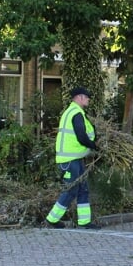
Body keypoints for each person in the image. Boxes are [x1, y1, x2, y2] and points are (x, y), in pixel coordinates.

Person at [45, 87, 100, 229]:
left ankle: (84, 222)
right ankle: (52, 219)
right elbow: (81, 136)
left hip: (75, 159)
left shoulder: (74, 112)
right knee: (72, 189)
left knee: (82, 188)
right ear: (80, 97)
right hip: (69, 160)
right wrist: (94, 145)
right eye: (87, 97)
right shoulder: (76, 113)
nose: (88, 99)